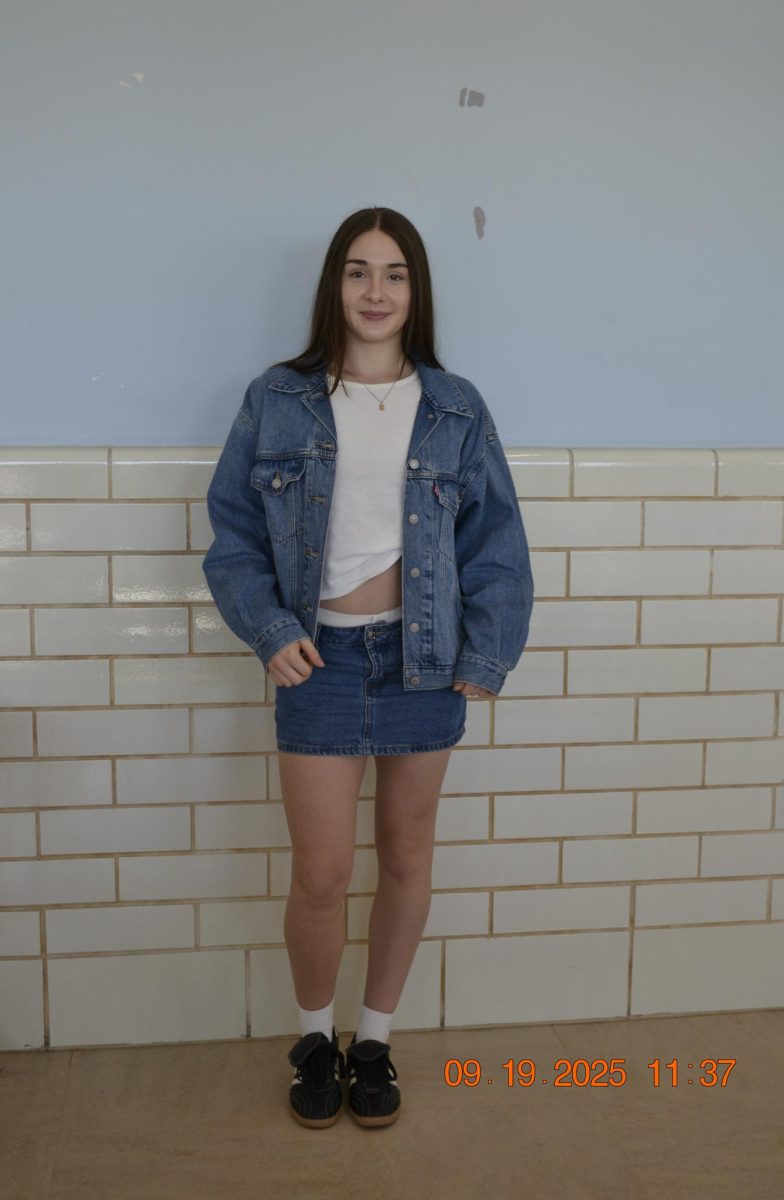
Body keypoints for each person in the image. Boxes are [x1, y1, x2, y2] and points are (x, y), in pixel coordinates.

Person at [202, 207, 534, 1129]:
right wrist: (269, 631)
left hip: (423, 662)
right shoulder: (278, 397)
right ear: (334, 287)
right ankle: (315, 1039)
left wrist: (485, 654)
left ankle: (375, 1040)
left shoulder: (457, 405)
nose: (376, 291)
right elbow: (231, 537)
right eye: (358, 272)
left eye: (394, 274)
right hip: (320, 663)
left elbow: (498, 541)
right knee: (320, 870)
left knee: (406, 860)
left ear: (415, 290)